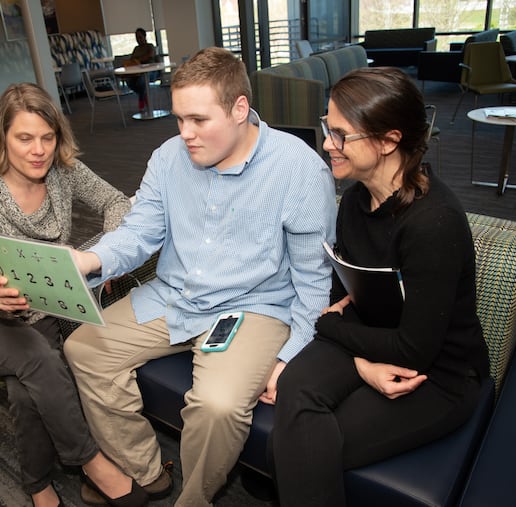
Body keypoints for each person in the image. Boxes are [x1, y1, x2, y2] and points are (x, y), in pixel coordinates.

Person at [64, 47, 335, 506]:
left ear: (240, 109)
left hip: (253, 307)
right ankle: (145, 472)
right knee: (83, 349)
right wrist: (87, 262)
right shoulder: (169, 157)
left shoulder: (300, 169)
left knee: (217, 406)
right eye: (178, 119)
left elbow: (313, 281)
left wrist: (291, 355)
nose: (185, 134)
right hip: (175, 294)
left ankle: (193, 500)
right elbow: (140, 232)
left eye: (199, 120)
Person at [271, 67, 490, 506]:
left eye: (340, 134)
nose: (328, 145)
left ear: (389, 140)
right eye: (326, 129)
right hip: (373, 336)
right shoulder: (354, 200)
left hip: (437, 375)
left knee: (307, 448)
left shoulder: (433, 223)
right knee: (295, 386)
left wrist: (329, 329)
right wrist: (361, 363)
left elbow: (413, 350)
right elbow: (344, 292)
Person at [0, 82, 148, 507]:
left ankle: (36, 483)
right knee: (39, 361)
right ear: (2, 139)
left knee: (27, 385)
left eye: (47, 138)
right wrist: (3, 299)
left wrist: (107, 252)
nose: (38, 150)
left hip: (50, 306)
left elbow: (116, 202)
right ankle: (89, 461)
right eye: (24, 138)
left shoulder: (62, 172)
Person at [122, 28, 157, 112]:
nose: (138, 39)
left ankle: (141, 99)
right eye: (137, 37)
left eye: (140, 37)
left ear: (145, 37)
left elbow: (149, 56)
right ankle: (144, 95)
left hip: (151, 71)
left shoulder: (150, 46)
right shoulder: (136, 48)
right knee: (129, 81)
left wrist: (138, 60)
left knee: (141, 82)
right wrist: (137, 61)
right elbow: (132, 60)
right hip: (138, 72)